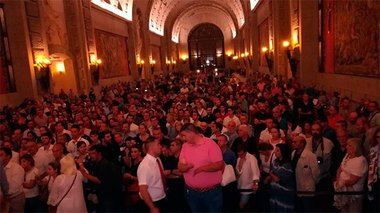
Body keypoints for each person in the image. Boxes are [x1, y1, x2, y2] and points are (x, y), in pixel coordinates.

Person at [178, 123, 224, 212]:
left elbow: (219, 165)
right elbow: (180, 166)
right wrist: (186, 167)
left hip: (211, 193)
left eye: (184, 135)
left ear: (191, 133)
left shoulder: (210, 144)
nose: (183, 138)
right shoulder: (185, 146)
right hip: (192, 192)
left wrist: (202, 168)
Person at [79, 144, 123, 212]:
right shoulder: (96, 163)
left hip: (109, 197)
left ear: (99, 153)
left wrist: (85, 174)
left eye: (93, 153)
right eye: (90, 154)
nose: (91, 156)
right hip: (103, 196)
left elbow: (99, 180)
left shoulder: (105, 164)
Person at [334, 138, 368, 212]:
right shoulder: (347, 155)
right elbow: (339, 169)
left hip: (353, 194)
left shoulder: (361, 160)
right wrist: (337, 181)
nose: (346, 147)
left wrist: (340, 184)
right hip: (343, 192)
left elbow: (353, 181)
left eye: (349, 145)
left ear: (355, 148)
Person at [136, 137, 167, 212]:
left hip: (162, 198)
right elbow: (143, 190)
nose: (161, 146)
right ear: (151, 147)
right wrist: (152, 207)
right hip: (153, 202)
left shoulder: (158, 159)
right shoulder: (145, 165)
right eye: (158, 144)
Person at [291, 136, 320, 212]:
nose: (292, 143)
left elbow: (316, 173)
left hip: (307, 189)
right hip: (296, 187)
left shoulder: (310, 155)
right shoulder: (293, 153)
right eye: (292, 142)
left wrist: (312, 184)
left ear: (302, 144)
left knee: (308, 209)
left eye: (295, 142)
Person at [266, 143, 295, 212]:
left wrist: (270, 174)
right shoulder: (275, 162)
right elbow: (274, 174)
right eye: (275, 150)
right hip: (274, 194)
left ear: (283, 151)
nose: (275, 152)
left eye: (277, 150)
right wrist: (272, 175)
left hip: (284, 194)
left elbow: (277, 179)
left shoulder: (287, 165)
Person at [0, 147, 25, 212]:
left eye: (1, 155)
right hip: (3, 199)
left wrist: (4, 195)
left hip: (15, 198)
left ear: (8, 156)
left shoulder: (17, 168)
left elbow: (14, 187)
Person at [236, 144, 260, 210]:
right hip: (240, 185)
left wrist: (256, 185)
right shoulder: (238, 159)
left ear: (246, 152)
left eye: (241, 154)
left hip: (248, 186)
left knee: (242, 204)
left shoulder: (252, 158)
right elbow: (238, 174)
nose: (240, 156)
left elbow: (255, 173)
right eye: (238, 154)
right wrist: (240, 167)